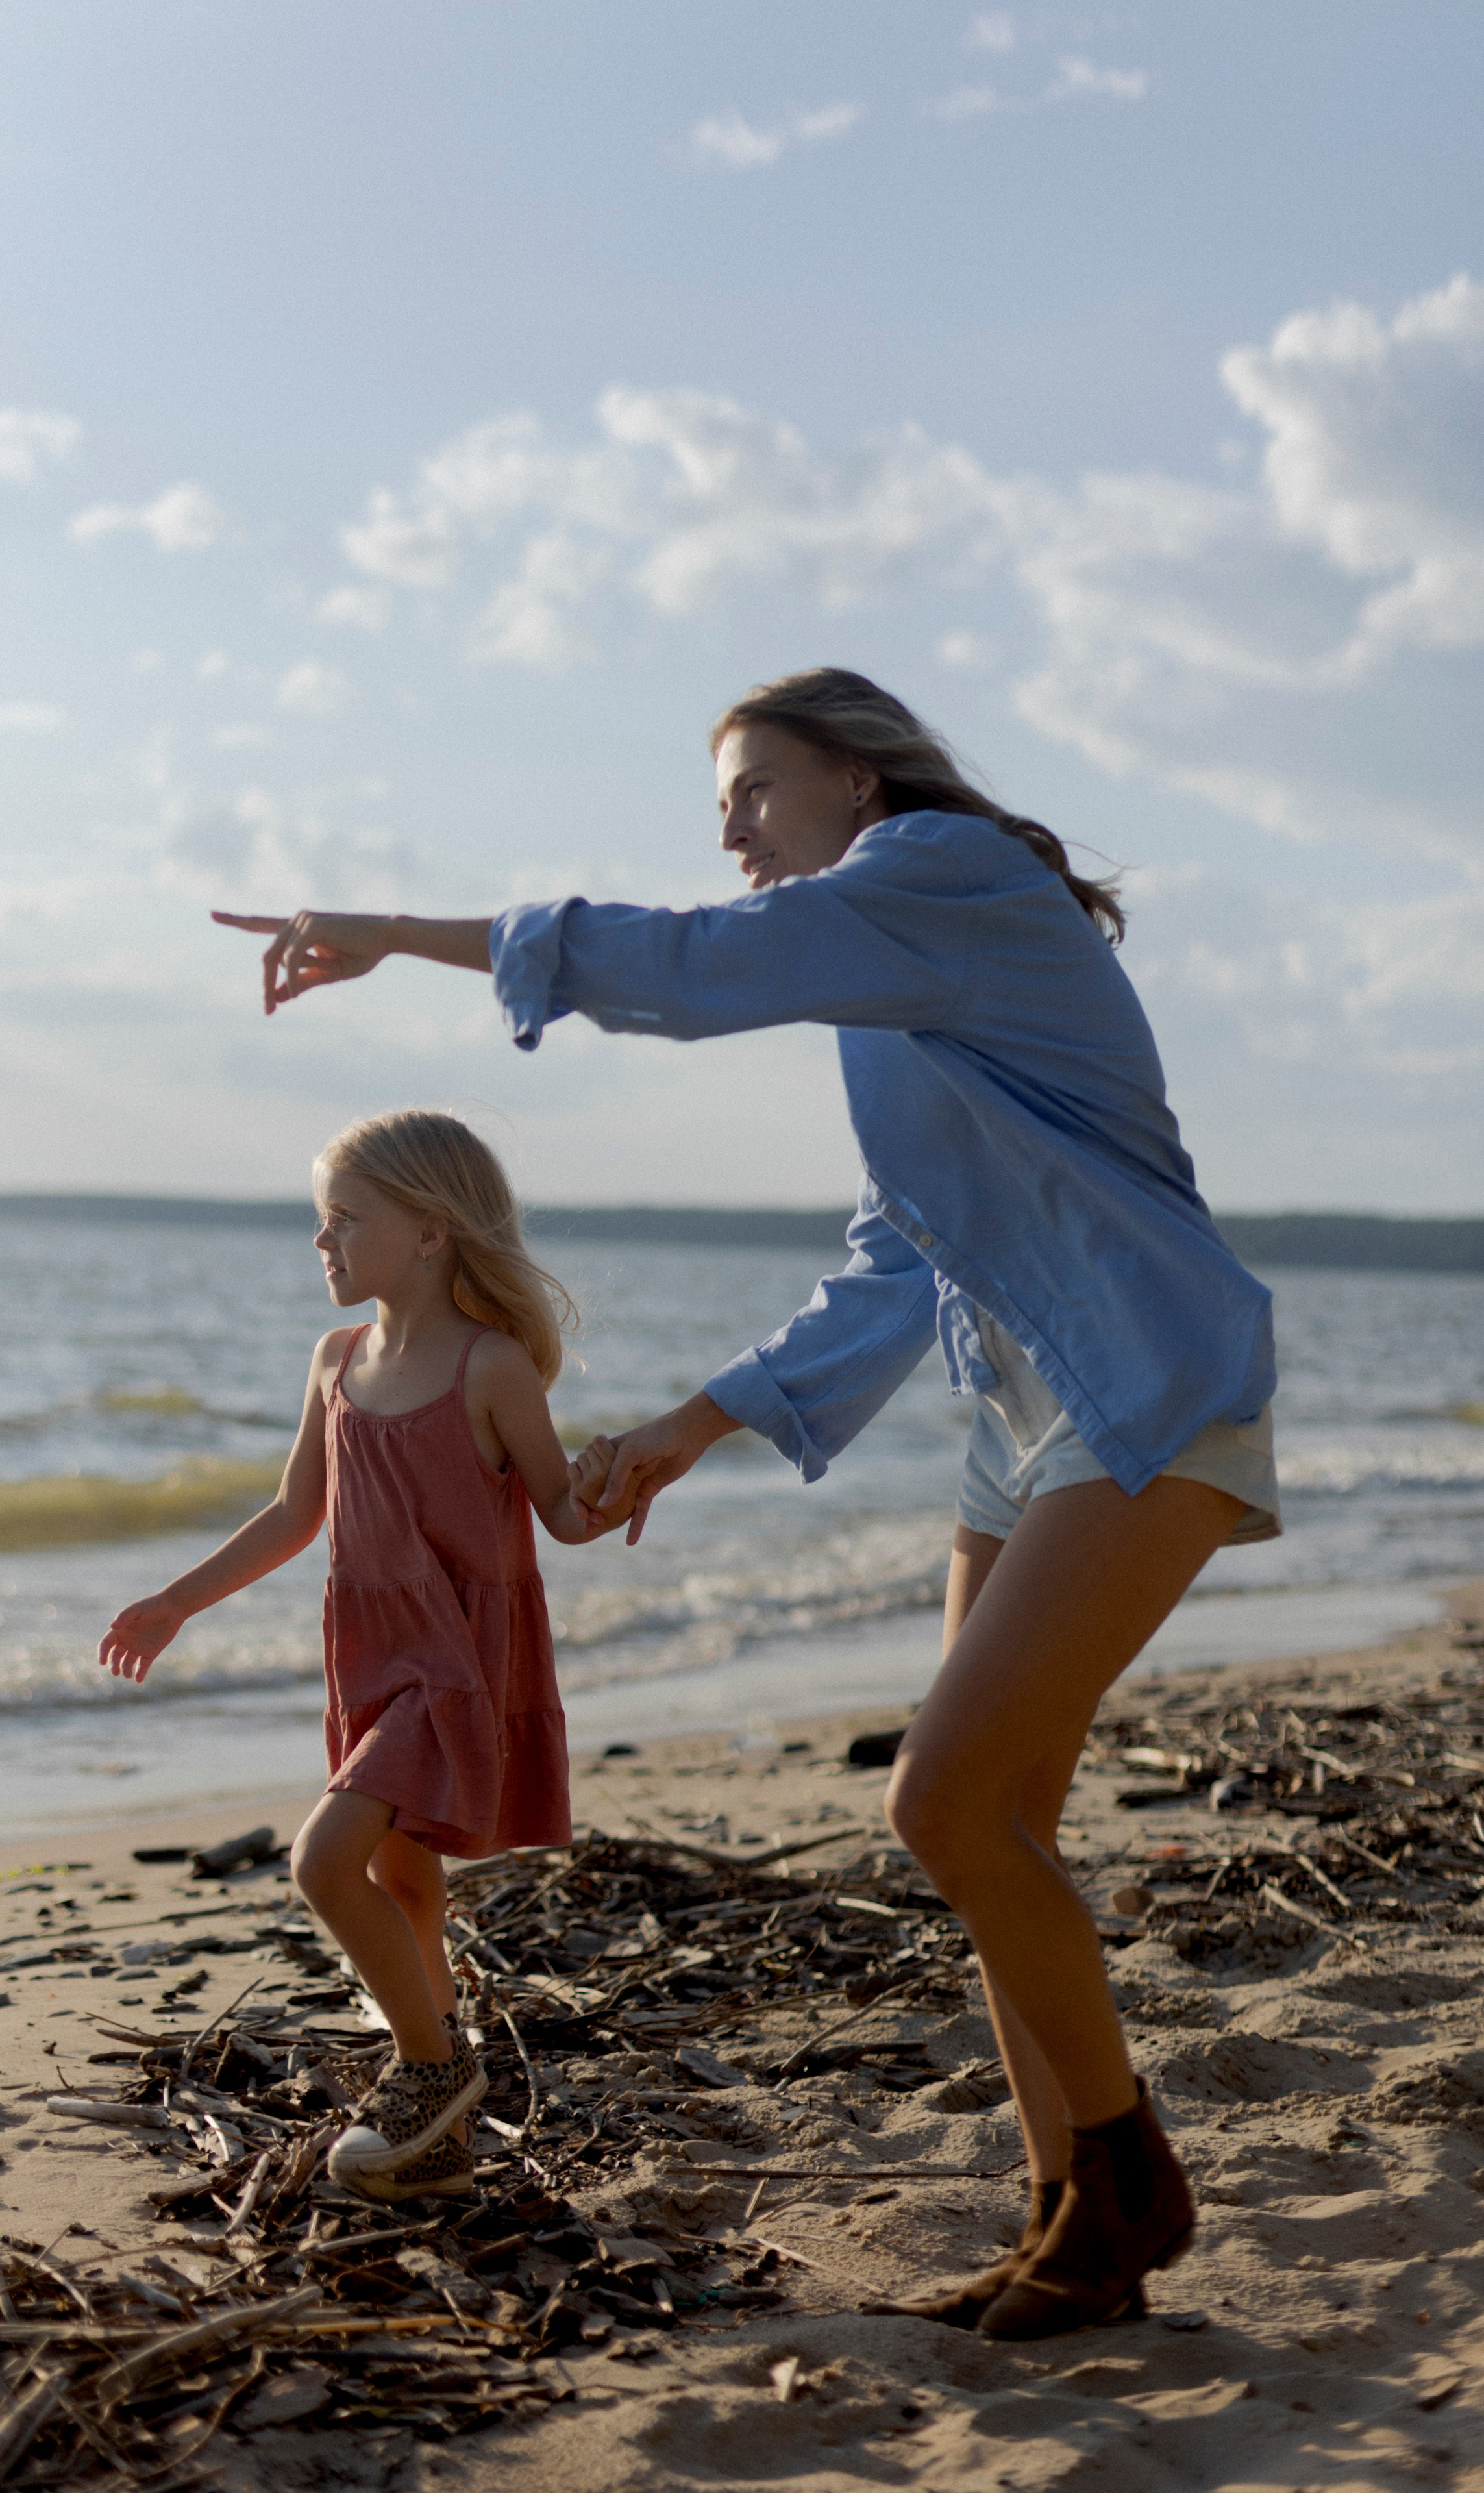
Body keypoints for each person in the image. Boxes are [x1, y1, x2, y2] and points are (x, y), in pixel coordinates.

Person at [213, 665, 1281, 2335]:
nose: (727, 832)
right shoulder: (888, 973)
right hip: (1019, 1421)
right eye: (717, 806)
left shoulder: (944, 874)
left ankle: (1128, 2180)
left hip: (1143, 1382)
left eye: (753, 791)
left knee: (937, 1804)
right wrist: (691, 1426)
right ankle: (1067, 2218)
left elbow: (692, 970)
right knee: (1000, 1829)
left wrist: (403, 932)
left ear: (859, 782)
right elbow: (896, 1260)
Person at [97, 1108, 613, 2200]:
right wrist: (175, 1602)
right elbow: (295, 1514)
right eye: (318, 1222)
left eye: (344, 1219)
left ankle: (431, 2066)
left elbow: (564, 1513)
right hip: (372, 1657)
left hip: (456, 1663)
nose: (321, 1243)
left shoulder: (491, 1366)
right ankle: (444, 2131)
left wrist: (631, 1479)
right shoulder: (336, 1360)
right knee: (401, 1880)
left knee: (323, 1862)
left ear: (431, 1230)